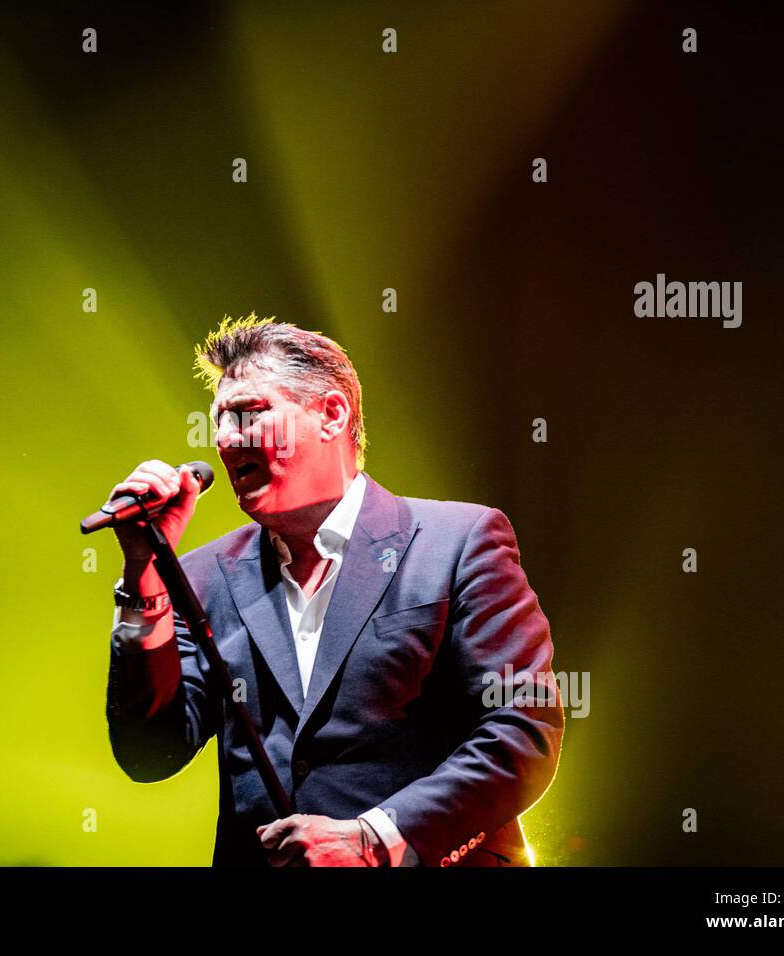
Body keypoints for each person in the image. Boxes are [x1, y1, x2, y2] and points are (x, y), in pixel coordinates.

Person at [104, 314, 563, 867]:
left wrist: (373, 838)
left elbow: (520, 728)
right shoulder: (202, 576)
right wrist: (144, 575)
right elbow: (149, 752)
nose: (224, 440)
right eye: (218, 422)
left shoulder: (457, 541)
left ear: (332, 414)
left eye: (249, 413)